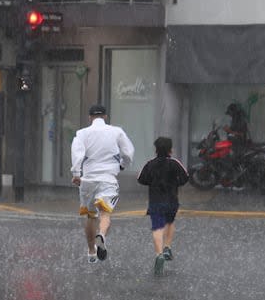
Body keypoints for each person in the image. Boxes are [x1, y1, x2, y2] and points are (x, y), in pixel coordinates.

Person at [71, 104, 135, 263]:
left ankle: (91, 251)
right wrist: (122, 165)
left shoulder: (82, 134)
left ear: (89, 117)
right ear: (105, 116)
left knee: (90, 216)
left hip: (88, 180)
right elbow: (128, 153)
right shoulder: (116, 131)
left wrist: (76, 174)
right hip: (108, 178)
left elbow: (77, 153)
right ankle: (102, 234)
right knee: (105, 214)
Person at [137, 137, 189, 276]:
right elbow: (185, 177)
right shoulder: (174, 163)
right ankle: (167, 247)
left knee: (157, 227)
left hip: (155, 200)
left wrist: (152, 182)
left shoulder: (150, 164)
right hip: (171, 200)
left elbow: (141, 179)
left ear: (156, 149)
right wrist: (175, 183)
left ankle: (159, 254)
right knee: (170, 223)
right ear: (170, 149)